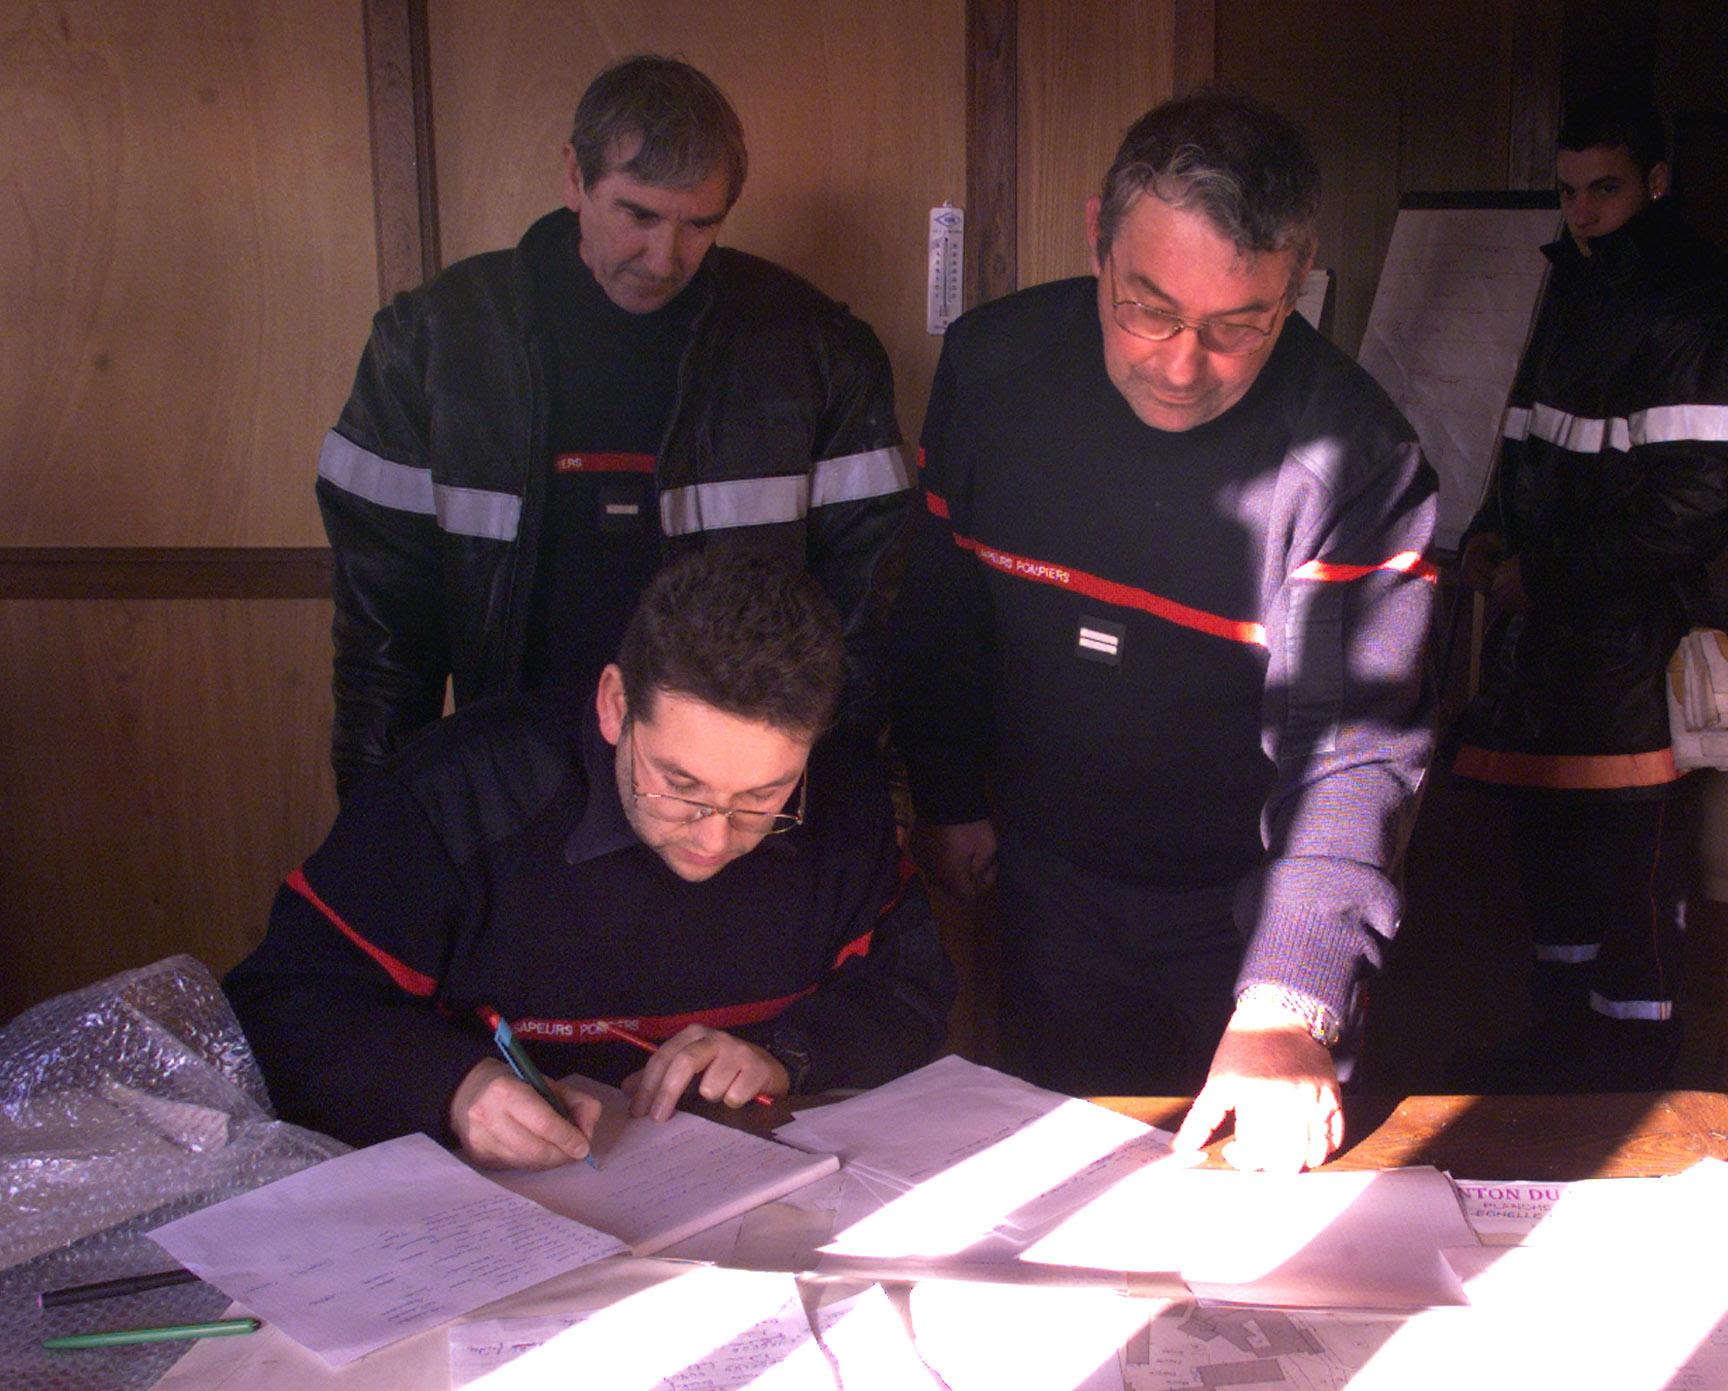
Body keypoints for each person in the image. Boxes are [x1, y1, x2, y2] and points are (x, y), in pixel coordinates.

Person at [890, 89, 1437, 1172]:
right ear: (1099, 236)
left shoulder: (1354, 454)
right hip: (1042, 872)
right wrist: (947, 792)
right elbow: (943, 606)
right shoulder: (993, 370)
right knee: (1063, 1185)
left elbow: (1355, 749)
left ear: (1300, 280)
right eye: (1149, 308)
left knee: (1255, 1223)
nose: (1183, 366)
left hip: (1252, 900)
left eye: (1240, 326)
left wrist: (1294, 995)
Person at [226, 550, 956, 1169]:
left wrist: (785, 1055)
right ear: (614, 706)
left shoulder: (846, 803)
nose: (712, 837)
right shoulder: (452, 800)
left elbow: (911, 989)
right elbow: (280, 1006)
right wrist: (451, 1084)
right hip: (483, 1214)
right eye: (680, 785)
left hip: (742, 1192)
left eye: (761, 797)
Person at [317, 55, 913, 796]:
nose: (664, 258)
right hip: (516, 781)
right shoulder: (433, 343)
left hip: (730, 799)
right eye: (639, 214)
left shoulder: (816, 350)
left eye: (700, 224)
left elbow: (866, 619)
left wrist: (842, 810)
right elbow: (383, 625)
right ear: (575, 176)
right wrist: (374, 812)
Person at [1451, 92, 1728, 1091]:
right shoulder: (1575, 281)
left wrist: (1548, 569)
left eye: (1604, 188)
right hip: (1549, 638)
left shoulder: (1692, 297)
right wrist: (1487, 529)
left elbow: (1701, 499)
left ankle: (1632, 1071)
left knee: (1629, 863)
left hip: (1630, 637)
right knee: (1550, 848)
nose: (1583, 210)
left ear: (1657, 180)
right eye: (1569, 192)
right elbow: (1526, 434)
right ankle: (1558, 1044)